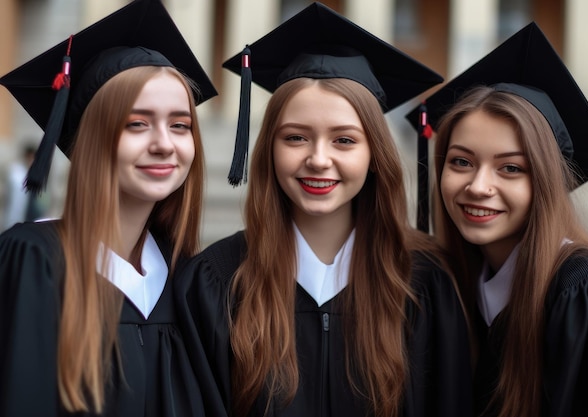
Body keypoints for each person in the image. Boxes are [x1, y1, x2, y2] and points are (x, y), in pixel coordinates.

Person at [176, 3, 472, 417]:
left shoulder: (423, 282)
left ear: (375, 155)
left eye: (344, 140)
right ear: (269, 150)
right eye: (296, 138)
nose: (318, 159)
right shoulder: (216, 282)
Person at [0, 0, 222, 416]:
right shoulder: (37, 260)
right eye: (136, 124)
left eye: (180, 125)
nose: (164, 143)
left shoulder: (186, 279)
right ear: (92, 139)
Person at [416, 22, 588, 417]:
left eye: (510, 168)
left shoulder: (582, 289)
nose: (478, 186)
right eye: (461, 162)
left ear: (546, 181)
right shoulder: (456, 284)